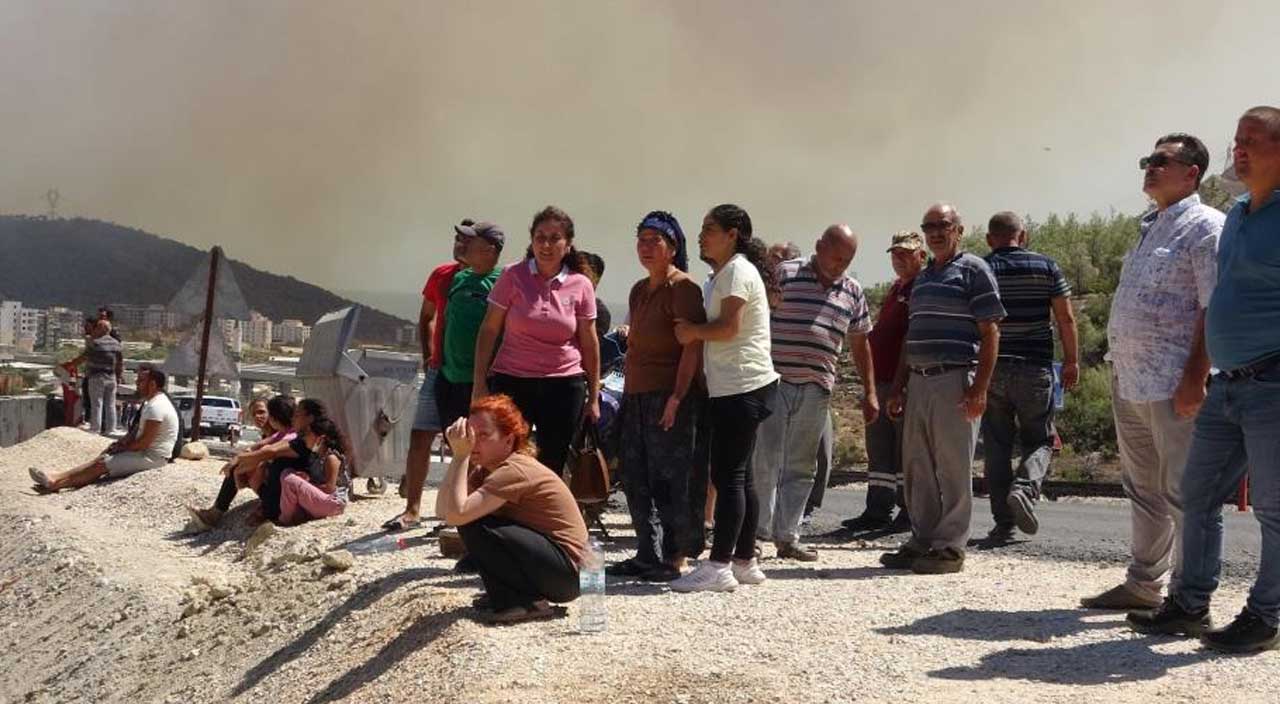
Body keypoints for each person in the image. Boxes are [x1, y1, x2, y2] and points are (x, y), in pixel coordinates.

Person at [1128, 106, 1280, 653]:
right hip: (1228, 384)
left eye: (1254, 143)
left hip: (1272, 382)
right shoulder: (1238, 213)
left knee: (1273, 506)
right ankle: (1190, 606)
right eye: (1237, 141)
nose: (1240, 151)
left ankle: (1266, 617)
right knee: (1196, 494)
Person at [1081, 133, 1224, 611]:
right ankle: (1143, 585)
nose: (1150, 166)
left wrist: (1195, 376)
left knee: (1184, 492)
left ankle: (1188, 597)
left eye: (1161, 161)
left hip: (1173, 383)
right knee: (1143, 490)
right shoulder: (1149, 226)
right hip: (1130, 379)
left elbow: (1213, 304)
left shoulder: (1206, 226)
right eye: (1148, 159)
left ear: (1192, 173)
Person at [881, 203, 1005, 575]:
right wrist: (899, 387)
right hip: (918, 381)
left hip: (955, 379)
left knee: (952, 465)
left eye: (943, 225)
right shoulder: (923, 279)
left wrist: (980, 388)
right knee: (918, 465)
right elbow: (910, 336)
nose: (936, 232)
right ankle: (923, 540)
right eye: (929, 226)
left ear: (959, 230)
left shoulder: (975, 270)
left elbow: (990, 331)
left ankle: (950, 548)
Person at [669, 203, 779, 592]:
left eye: (709, 229)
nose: (701, 236)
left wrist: (692, 332)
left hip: (742, 385)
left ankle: (718, 566)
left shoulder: (735, 272)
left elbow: (729, 328)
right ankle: (744, 560)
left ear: (733, 234)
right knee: (741, 474)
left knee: (727, 476)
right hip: (740, 385)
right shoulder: (723, 274)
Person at [753, 225, 876, 561]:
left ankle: (787, 537)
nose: (840, 265)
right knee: (765, 459)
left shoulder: (852, 290)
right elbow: (756, 318)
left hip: (817, 388)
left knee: (802, 466)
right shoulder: (784, 274)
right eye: (836, 257)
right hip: (774, 382)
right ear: (819, 246)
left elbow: (860, 342)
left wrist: (870, 390)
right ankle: (758, 534)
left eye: (847, 260)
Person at [607, 210, 706, 582]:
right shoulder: (638, 290)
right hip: (636, 395)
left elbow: (691, 348)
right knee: (636, 476)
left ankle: (675, 555)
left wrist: (678, 397)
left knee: (673, 478)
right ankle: (647, 552)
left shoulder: (683, 289)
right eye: (642, 240)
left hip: (670, 396)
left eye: (655, 241)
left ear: (672, 247)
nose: (646, 248)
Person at [472, 205, 601, 477]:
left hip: (564, 384)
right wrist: (479, 382)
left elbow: (589, 343)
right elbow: (489, 330)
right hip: (512, 379)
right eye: (540, 237)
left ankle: (540, 516)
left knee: (552, 461)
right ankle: (498, 515)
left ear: (568, 245)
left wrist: (594, 397)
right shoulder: (512, 275)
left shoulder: (581, 285)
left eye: (555, 238)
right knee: (503, 456)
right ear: (531, 240)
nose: (546, 244)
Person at [436, 394, 587, 624]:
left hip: (569, 574)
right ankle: (514, 596)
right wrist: (460, 458)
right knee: (473, 520)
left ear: (508, 440)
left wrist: (460, 457)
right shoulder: (488, 469)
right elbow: (443, 511)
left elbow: (458, 515)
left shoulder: (514, 470)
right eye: (472, 434)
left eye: (484, 435)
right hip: (556, 568)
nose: (474, 442)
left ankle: (525, 603)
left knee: (473, 521)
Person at [980, 212, 1079, 542]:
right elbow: (1065, 319)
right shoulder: (1047, 266)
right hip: (1035, 368)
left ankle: (1003, 523)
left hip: (992, 370)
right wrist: (1072, 362)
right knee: (1041, 439)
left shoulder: (980, 269)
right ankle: (1024, 487)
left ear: (990, 239)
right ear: (1023, 236)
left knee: (996, 444)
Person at [384, 219, 472, 531]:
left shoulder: (491, 279)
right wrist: (427, 355)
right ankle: (413, 509)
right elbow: (426, 316)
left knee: (468, 442)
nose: (460, 245)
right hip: (439, 369)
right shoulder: (442, 275)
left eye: (467, 241)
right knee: (421, 434)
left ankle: (462, 512)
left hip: (472, 374)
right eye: (457, 239)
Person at [842, 231, 926, 532]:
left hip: (900, 382)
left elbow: (910, 337)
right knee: (879, 448)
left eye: (906, 254)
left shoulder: (921, 288)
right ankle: (877, 509)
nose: (899, 260)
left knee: (905, 449)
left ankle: (908, 511)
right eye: (895, 254)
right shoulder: (896, 289)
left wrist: (901, 385)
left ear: (921, 256)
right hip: (881, 380)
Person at [30, 366, 179, 492]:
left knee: (102, 465)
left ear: (152, 384)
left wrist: (123, 449)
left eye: (141, 381)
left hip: (152, 458)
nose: (136, 383)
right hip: (145, 453)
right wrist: (121, 444)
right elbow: (136, 433)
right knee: (103, 458)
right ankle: (56, 477)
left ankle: (56, 484)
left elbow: (144, 443)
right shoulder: (151, 403)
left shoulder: (157, 407)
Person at [187, 395, 296, 530]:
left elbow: (264, 453)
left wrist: (238, 465)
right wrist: (238, 460)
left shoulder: (286, 436)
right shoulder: (274, 434)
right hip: (272, 481)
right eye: (254, 414)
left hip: (280, 487)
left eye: (261, 412)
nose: (257, 417)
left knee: (241, 468)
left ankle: (216, 513)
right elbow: (255, 449)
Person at [436, 222, 504, 429]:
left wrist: (483, 379)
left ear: (489, 250)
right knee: (454, 440)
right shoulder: (459, 278)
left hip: (480, 382)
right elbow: (447, 320)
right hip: (448, 377)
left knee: (479, 445)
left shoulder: (503, 281)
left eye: (471, 241)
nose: (465, 245)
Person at [278, 417, 352, 526]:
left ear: (320, 438)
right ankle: (293, 516)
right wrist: (306, 479)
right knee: (287, 472)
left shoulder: (331, 458)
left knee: (290, 480)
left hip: (334, 504)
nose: (305, 438)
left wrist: (307, 484)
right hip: (324, 500)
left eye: (308, 434)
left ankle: (285, 520)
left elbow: (329, 488)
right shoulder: (317, 456)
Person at [63, 319, 123, 436]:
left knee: (97, 403)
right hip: (111, 377)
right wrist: (118, 376)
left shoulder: (95, 343)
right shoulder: (116, 344)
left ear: (101, 329)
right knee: (110, 403)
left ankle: (95, 429)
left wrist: (69, 365)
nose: (94, 330)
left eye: (96, 328)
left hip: (97, 377)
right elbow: (120, 362)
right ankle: (111, 429)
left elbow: (83, 358)